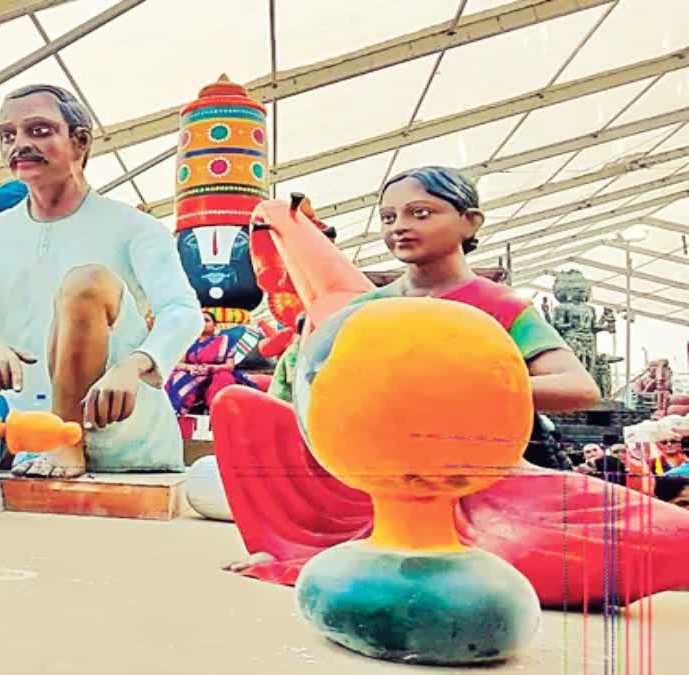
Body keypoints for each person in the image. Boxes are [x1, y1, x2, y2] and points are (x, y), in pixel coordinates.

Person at [211, 166, 689, 607]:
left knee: (664, 536)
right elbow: (305, 391)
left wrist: (461, 386)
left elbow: (578, 387)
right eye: (389, 216)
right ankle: (310, 542)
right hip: (371, 484)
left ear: (470, 222)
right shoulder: (362, 310)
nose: (400, 226)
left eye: (422, 213)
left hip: (482, 482)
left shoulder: (496, 304)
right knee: (238, 407)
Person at [0, 84, 203, 479]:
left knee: (88, 282)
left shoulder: (134, 227)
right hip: (36, 458)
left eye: (39, 131)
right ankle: (58, 444)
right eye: (7, 136)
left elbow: (181, 312)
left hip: (136, 456)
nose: (20, 145)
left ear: (79, 143)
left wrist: (138, 363)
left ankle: (69, 444)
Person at [165, 311, 258, 414]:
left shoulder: (225, 340)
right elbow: (178, 364)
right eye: (199, 321)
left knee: (224, 377)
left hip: (216, 372)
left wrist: (211, 368)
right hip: (194, 373)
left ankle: (218, 412)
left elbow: (229, 366)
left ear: (215, 325)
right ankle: (178, 411)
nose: (203, 323)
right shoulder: (188, 342)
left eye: (207, 320)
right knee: (176, 376)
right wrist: (190, 368)